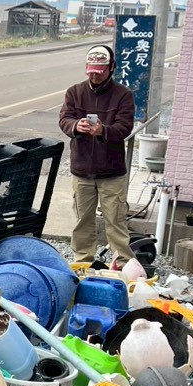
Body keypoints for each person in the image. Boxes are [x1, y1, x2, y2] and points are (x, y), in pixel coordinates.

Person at [59, 45, 138, 266]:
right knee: (83, 220)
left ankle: (123, 263)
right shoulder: (75, 92)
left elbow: (125, 127)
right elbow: (64, 120)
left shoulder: (123, 95)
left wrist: (103, 131)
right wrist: (76, 126)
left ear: (111, 68)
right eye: (91, 70)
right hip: (82, 170)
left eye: (100, 70)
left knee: (116, 220)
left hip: (111, 171)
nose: (95, 74)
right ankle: (83, 262)